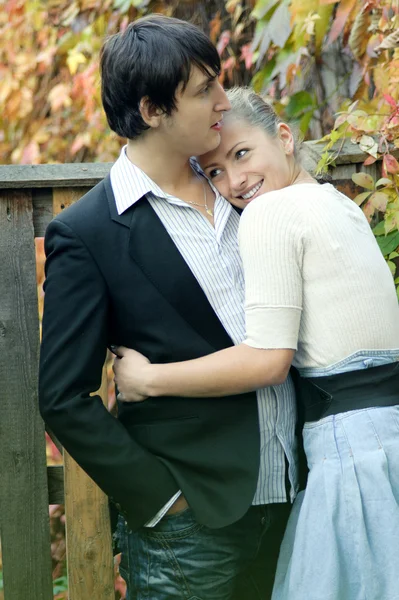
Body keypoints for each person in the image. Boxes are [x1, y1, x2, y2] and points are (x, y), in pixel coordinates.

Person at [39, 19, 299, 600]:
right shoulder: (88, 233)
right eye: (204, 89)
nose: (223, 102)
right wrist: (162, 500)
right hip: (189, 528)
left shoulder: (245, 188)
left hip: (295, 500)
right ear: (153, 109)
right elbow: (61, 399)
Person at [113, 87, 399, 600]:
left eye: (242, 153)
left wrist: (147, 380)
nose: (235, 181)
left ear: (284, 137)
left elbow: (267, 360)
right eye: (215, 172)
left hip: (351, 451)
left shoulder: (271, 214)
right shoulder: (339, 202)